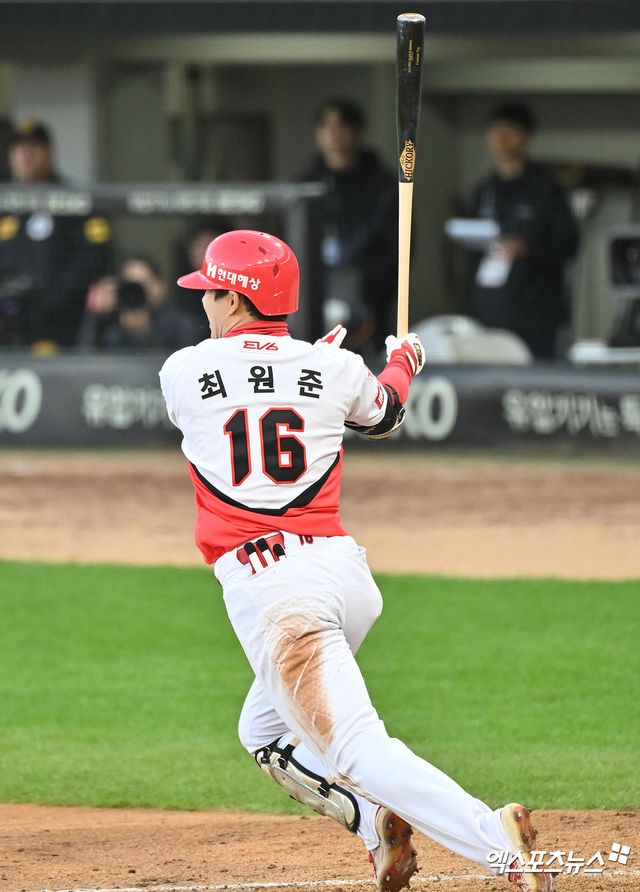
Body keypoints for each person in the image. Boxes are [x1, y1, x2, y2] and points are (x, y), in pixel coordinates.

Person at [159, 229, 553, 892]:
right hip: (344, 577)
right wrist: (401, 360)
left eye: (211, 291)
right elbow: (386, 411)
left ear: (234, 296)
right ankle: (378, 829)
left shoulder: (183, 371)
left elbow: (249, 388)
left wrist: (305, 365)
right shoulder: (334, 371)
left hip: (281, 596)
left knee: (357, 749)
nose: (205, 302)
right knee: (264, 730)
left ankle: (497, 841)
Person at [467, 104, 579, 360]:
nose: (502, 137)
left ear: (528, 137)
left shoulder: (546, 188)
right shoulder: (485, 189)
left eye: (510, 130)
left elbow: (569, 243)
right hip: (490, 310)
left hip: (535, 313)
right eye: (496, 130)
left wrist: (526, 249)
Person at [0, 119, 111, 348]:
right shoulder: (5, 204)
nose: (25, 155)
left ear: (49, 152)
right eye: (18, 149)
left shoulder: (75, 200)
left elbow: (95, 258)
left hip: (68, 320)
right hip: (11, 323)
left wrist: (52, 296)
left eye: (33, 148)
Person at [300, 99, 397, 351]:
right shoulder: (305, 183)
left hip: (367, 300)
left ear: (357, 131)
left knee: (366, 372)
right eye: (325, 126)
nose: (333, 134)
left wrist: (371, 289)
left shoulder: (380, 184)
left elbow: (397, 246)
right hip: (312, 296)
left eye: (342, 126)